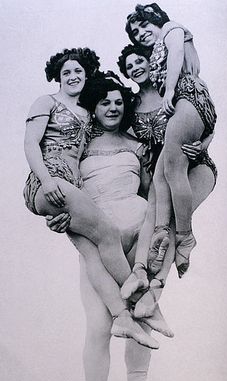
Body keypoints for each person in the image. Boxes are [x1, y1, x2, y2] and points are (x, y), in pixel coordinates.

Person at [47, 73, 174, 381]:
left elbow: (154, 194)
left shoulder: (138, 145)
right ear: (94, 106)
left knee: (139, 317)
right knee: (100, 325)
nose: (113, 107)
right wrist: (58, 217)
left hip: (137, 236)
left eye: (119, 101)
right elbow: (63, 192)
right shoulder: (79, 145)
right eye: (105, 102)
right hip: (102, 241)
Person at [23, 48, 158, 348]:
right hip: (50, 181)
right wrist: (45, 182)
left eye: (79, 72)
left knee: (94, 252)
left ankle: (122, 315)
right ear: (57, 76)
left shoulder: (88, 116)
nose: (72, 77)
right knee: (107, 232)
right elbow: (31, 143)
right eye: (66, 72)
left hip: (71, 190)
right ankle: (146, 300)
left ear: (87, 77)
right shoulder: (47, 102)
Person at [117, 43, 217, 316]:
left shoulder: (170, 92)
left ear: (151, 63)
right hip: (159, 172)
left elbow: (208, 122)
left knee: (171, 223)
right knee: (153, 214)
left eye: (140, 61)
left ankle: (155, 290)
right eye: (130, 67)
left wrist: (204, 144)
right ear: (127, 74)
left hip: (195, 166)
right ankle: (138, 272)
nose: (136, 68)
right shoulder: (130, 106)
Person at [125, 3, 217, 277]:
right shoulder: (156, 51)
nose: (140, 33)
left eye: (143, 25)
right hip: (188, 101)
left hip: (187, 95)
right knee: (160, 176)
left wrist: (170, 92)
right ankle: (161, 234)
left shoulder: (171, 28)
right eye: (135, 32)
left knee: (173, 171)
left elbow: (177, 54)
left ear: (155, 19)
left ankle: (185, 236)